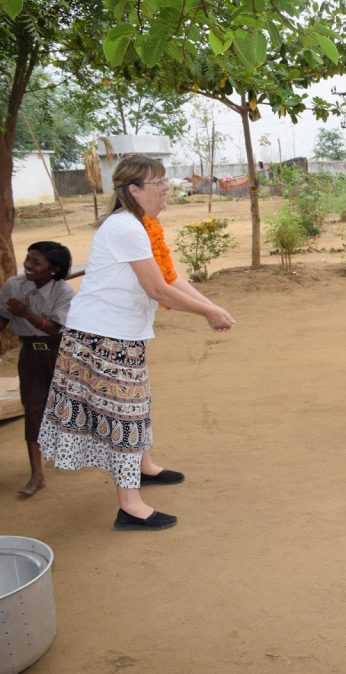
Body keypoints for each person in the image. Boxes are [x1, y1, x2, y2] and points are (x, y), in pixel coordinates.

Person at [38, 155, 235, 531]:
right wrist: (207, 314)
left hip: (120, 333)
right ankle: (130, 505)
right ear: (134, 190)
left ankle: (142, 467)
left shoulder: (141, 226)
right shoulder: (126, 227)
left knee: (137, 403)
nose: (166, 188)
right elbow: (157, 288)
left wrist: (212, 306)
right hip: (101, 337)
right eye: (158, 182)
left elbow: (170, 278)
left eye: (165, 181)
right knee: (123, 415)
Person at [0, 242, 73, 497]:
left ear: (53, 270)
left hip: (60, 353)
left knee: (70, 404)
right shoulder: (13, 285)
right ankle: (37, 474)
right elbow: (3, 318)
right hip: (31, 354)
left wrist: (27, 313)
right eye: (28, 259)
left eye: (36, 262)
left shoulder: (63, 292)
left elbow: (54, 328)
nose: (28, 265)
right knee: (33, 409)